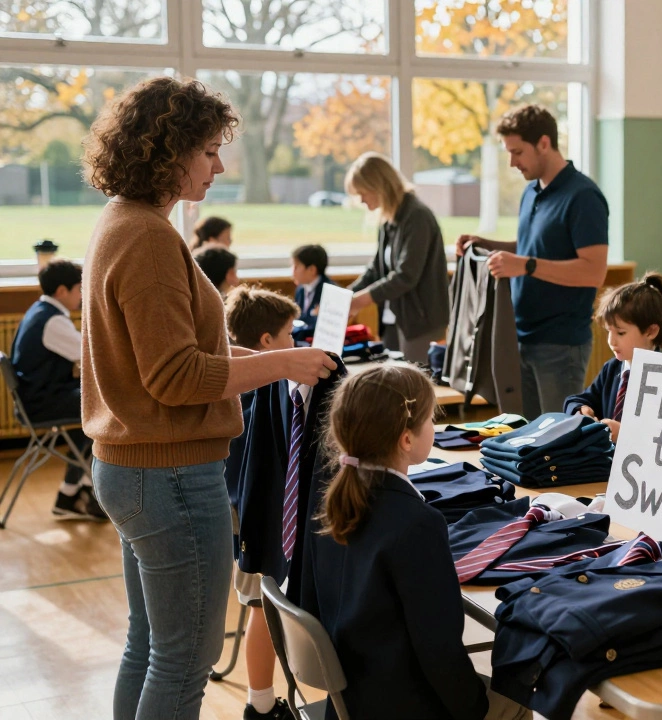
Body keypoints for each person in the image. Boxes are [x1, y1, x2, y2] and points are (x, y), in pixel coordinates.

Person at [80, 75, 336, 720]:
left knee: (150, 645)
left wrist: (255, 360)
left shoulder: (125, 223)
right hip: (166, 475)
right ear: (167, 152)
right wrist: (285, 361)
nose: (219, 165)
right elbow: (174, 378)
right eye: (209, 150)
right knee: (182, 660)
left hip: (134, 468)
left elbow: (168, 359)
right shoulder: (147, 238)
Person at [302, 362, 530, 720]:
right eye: (430, 418)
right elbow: (440, 650)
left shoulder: (330, 505)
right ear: (406, 439)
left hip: (350, 700)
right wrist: (475, 709)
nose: (434, 426)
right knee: (518, 704)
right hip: (406, 705)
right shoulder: (417, 524)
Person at [456, 105, 610, 419]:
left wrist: (525, 266)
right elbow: (531, 247)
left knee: (558, 444)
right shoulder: (531, 192)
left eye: (517, 152)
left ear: (543, 143)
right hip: (521, 339)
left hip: (560, 345)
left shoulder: (583, 197)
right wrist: (486, 245)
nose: (512, 163)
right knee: (527, 439)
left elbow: (594, 271)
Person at [223, 285, 300, 720]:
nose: (294, 343)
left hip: (248, 513)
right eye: (291, 335)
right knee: (263, 608)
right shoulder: (259, 395)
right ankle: (261, 704)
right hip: (254, 519)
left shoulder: (244, 389)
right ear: (267, 343)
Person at [10, 259, 105, 520]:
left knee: (91, 406)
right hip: (42, 403)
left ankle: (71, 492)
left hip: (36, 399)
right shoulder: (52, 322)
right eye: (79, 289)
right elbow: (92, 356)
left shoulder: (39, 311)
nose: (81, 296)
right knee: (103, 407)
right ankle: (87, 491)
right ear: (62, 291)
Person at [346, 152, 450, 363]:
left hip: (421, 321)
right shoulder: (388, 219)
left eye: (363, 193)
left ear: (379, 186)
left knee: (416, 387)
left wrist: (361, 300)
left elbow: (406, 276)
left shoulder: (417, 217)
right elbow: (376, 270)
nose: (362, 200)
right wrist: (347, 295)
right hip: (395, 318)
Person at [563, 272, 662, 442]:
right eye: (608, 331)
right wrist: (581, 409)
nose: (611, 341)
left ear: (651, 331)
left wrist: (627, 435)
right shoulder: (612, 369)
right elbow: (576, 400)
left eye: (621, 333)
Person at [290, 243, 334, 342]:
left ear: (311, 270)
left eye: (296, 266)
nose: (293, 271)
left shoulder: (330, 293)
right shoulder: (300, 289)